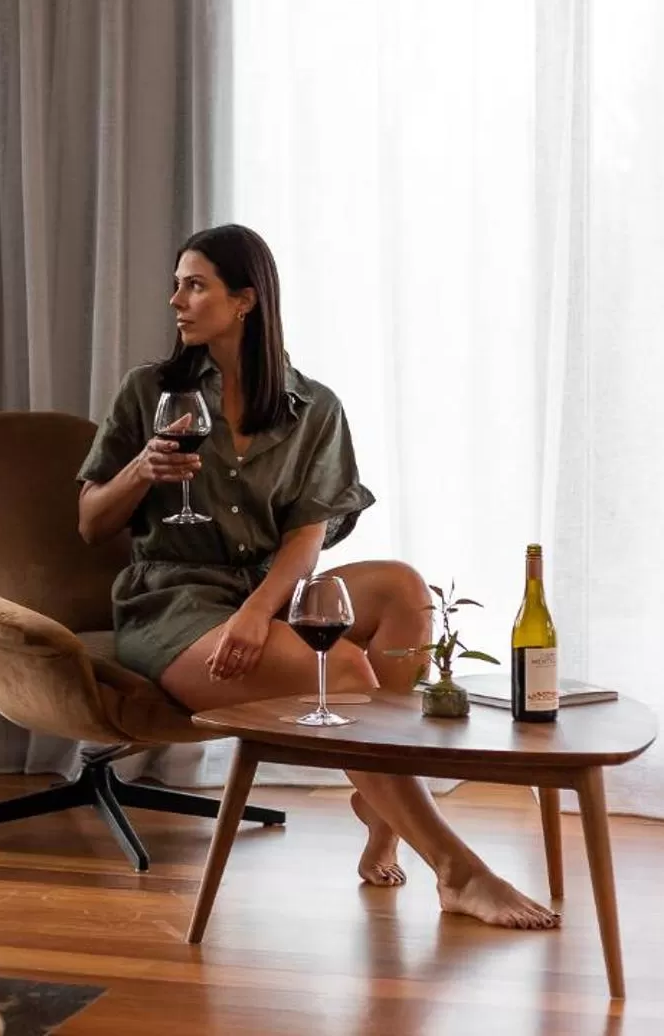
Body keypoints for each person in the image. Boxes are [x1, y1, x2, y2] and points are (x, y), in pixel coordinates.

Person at [76, 223, 558, 930]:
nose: (175, 299)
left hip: (268, 593)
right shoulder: (149, 390)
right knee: (349, 672)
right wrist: (141, 470)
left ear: (245, 301)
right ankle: (457, 869)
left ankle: (382, 806)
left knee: (399, 585)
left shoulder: (315, 408)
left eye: (195, 284)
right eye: (177, 283)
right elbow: (90, 521)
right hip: (172, 603)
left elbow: (307, 541)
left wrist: (255, 614)